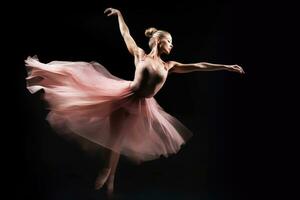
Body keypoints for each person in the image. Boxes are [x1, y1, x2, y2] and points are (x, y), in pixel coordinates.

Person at [24, 7, 244, 197]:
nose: (172, 45)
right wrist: (120, 14)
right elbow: (126, 34)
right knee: (115, 136)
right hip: (123, 96)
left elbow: (199, 66)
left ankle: (110, 179)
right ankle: (106, 173)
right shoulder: (140, 55)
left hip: (144, 105)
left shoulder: (169, 65)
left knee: (119, 139)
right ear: (158, 41)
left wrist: (225, 66)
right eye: (169, 41)